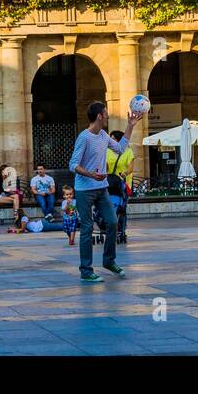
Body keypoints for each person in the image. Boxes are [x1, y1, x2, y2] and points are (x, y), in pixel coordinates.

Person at [69, 100, 141, 282]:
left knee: (112, 222)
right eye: (106, 113)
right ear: (100, 116)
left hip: (101, 188)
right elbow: (73, 164)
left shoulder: (103, 135)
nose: (108, 116)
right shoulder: (84, 137)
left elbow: (120, 148)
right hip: (84, 189)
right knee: (86, 228)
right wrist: (91, 174)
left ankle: (109, 261)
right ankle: (86, 270)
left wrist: (130, 126)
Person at [106, 131, 134, 243]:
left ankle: (121, 229)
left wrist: (124, 174)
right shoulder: (107, 151)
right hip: (109, 182)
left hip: (122, 183)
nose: (111, 140)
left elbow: (130, 167)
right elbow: (104, 165)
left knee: (122, 207)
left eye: (113, 138)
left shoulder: (128, 152)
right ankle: (108, 227)